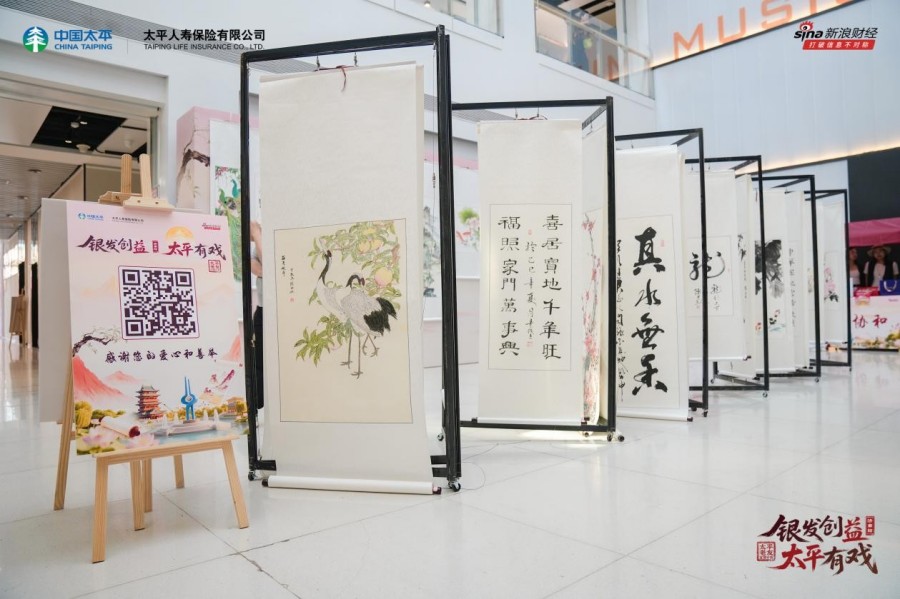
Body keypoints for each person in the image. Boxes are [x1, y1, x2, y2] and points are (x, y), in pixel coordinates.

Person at [249, 220, 264, 409]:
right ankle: (259, 406)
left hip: (278, 312)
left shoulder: (269, 239)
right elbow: (256, 268)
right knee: (258, 361)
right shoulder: (256, 248)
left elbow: (269, 269)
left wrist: (257, 233)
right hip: (262, 310)